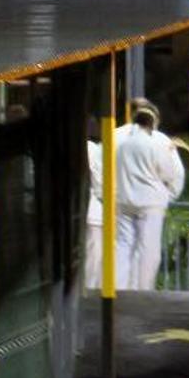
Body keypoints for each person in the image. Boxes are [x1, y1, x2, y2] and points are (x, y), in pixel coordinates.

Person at [114, 98, 185, 291]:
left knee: (123, 245)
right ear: (152, 123)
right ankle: (143, 289)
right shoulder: (159, 143)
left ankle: (120, 288)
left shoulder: (120, 142)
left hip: (124, 201)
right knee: (149, 248)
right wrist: (168, 196)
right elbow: (170, 174)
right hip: (151, 204)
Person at [85, 118, 104, 290]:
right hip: (93, 209)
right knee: (94, 252)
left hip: (73, 211)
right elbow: (99, 179)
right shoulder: (92, 149)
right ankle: (90, 287)